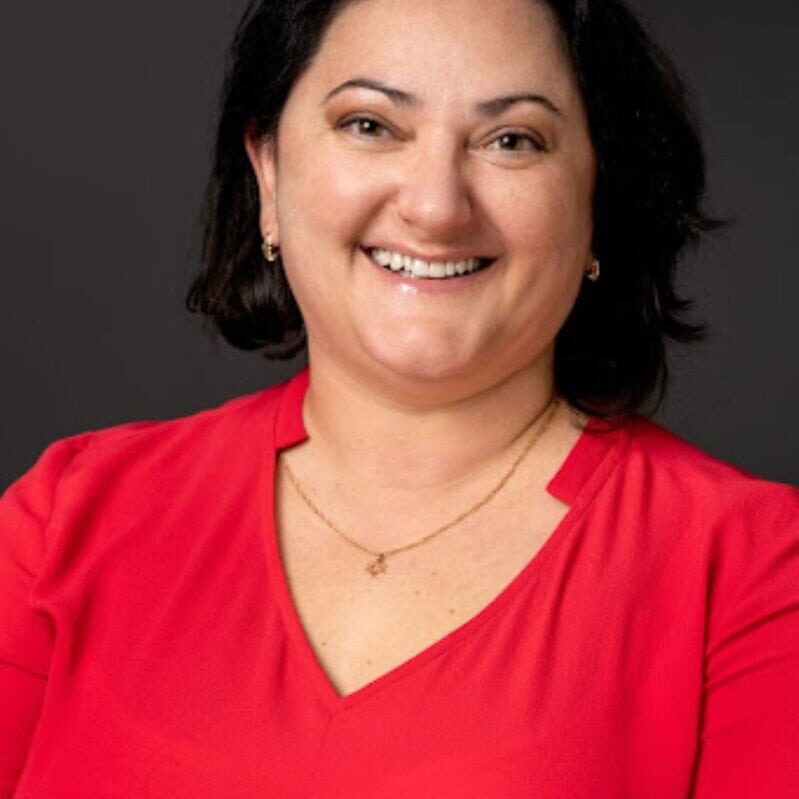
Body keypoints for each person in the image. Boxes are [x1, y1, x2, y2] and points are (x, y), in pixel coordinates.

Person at [1, 0, 797, 796]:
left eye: (511, 140)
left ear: (597, 200)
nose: (435, 206)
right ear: (268, 172)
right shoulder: (67, 516)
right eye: (370, 125)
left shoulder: (750, 571)